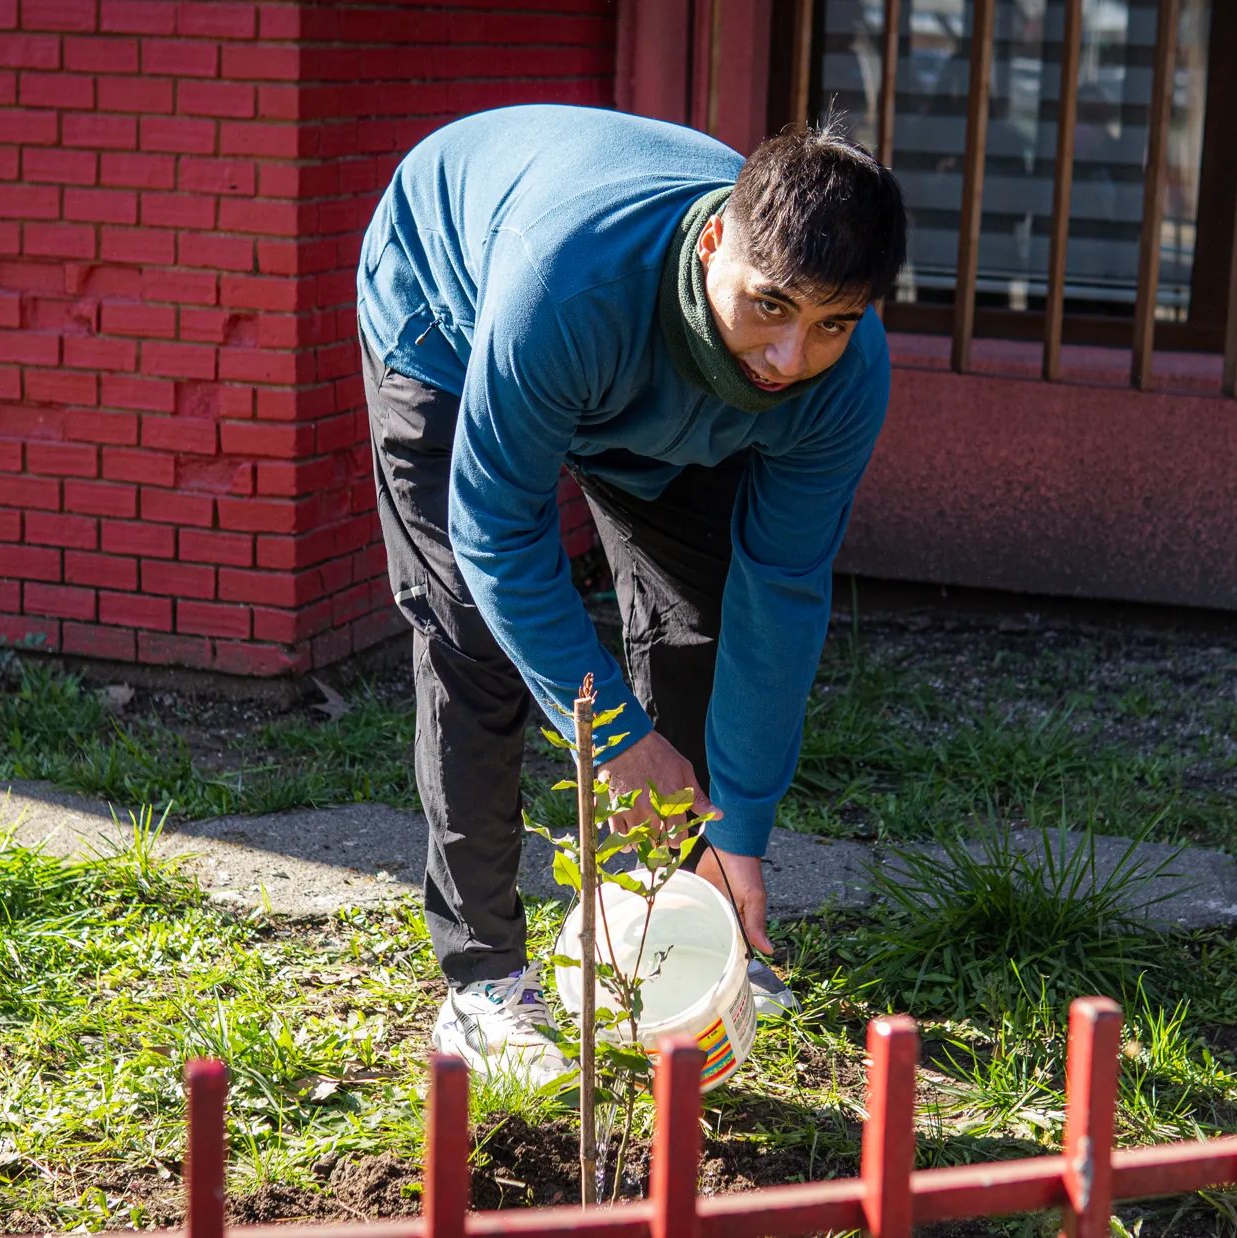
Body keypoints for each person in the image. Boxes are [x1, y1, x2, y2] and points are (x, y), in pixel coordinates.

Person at [356, 103, 907, 1083]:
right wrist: (611, 732)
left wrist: (736, 831)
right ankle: (484, 981)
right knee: (474, 637)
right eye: (772, 304)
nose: (791, 357)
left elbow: (777, 594)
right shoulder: (564, 284)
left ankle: (658, 923)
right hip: (449, 312)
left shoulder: (838, 378)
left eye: (832, 322)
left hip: (646, 383)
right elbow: (497, 530)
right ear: (712, 244)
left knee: (702, 617)